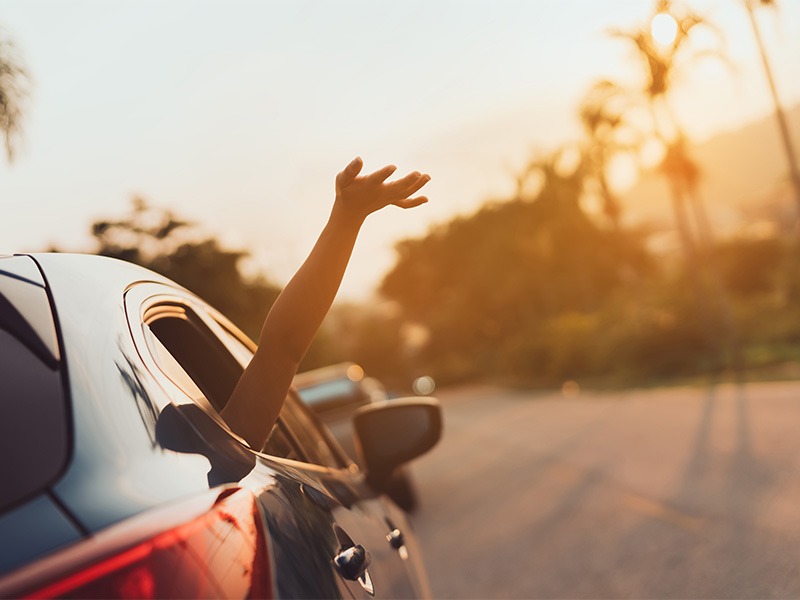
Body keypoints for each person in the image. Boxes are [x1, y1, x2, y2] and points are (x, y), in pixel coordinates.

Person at [220, 157, 431, 450]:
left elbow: (282, 349)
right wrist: (347, 218)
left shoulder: (221, 454)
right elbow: (282, 349)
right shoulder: (221, 456)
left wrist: (348, 218)